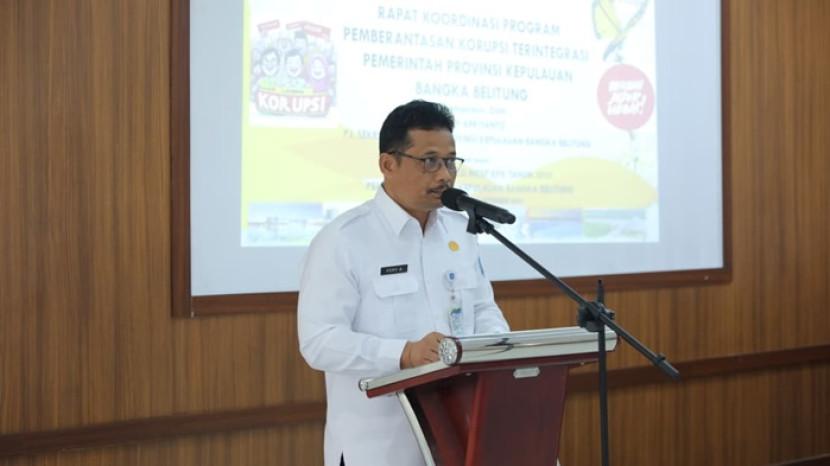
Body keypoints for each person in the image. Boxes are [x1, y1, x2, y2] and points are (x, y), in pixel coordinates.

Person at [297, 100, 510, 466]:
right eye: (429, 161)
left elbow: (482, 309)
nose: (444, 175)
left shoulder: (461, 233)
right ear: (388, 164)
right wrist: (404, 354)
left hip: (457, 438)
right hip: (379, 448)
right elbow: (319, 342)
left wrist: (494, 347)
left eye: (450, 161)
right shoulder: (343, 240)